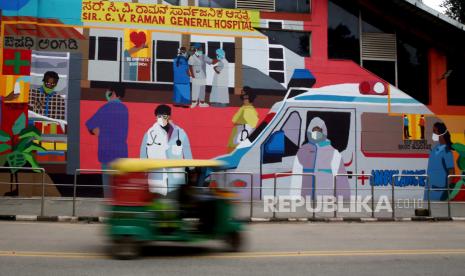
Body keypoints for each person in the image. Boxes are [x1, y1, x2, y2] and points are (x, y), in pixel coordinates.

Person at [290, 117, 350, 199]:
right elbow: (296, 175)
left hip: (325, 197)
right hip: (306, 197)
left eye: (319, 131)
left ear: (323, 132)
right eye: (314, 130)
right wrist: (294, 196)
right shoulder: (303, 151)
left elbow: (341, 178)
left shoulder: (333, 152)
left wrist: (343, 198)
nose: (316, 133)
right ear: (309, 132)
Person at [85, 86, 129, 198]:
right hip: (121, 153)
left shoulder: (106, 108)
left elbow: (89, 123)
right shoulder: (124, 109)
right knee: (119, 185)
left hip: (106, 152)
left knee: (108, 187)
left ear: (113, 93)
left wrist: (98, 132)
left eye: (109, 92)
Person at [140, 104, 193, 196]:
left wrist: (192, 169)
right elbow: (143, 155)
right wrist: (144, 169)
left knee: (175, 203)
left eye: (164, 116)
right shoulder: (149, 134)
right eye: (159, 116)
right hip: (157, 176)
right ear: (156, 117)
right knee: (158, 202)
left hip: (175, 178)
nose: (161, 119)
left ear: (169, 116)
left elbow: (187, 153)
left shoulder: (180, 133)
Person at [425, 122, 455, 201]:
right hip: (429, 186)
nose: (433, 133)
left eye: (434, 131)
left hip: (439, 190)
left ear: (441, 133)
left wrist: (446, 191)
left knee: (440, 211)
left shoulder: (447, 151)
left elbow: (451, 172)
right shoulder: (435, 148)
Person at [227, 87, 259, 152]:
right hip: (237, 139)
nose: (244, 98)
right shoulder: (244, 108)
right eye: (243, 96)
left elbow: (253, 125)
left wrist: (240, 124)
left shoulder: (248, 109)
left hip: (239, 140)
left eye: (246, 96)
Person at [188, 44, 213, 108]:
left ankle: (201, 103)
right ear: (196, 49)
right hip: (196, 76)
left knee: (202, 89)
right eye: (199, 49)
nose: (201, 50)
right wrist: (192, 75)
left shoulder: (203, 56)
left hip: (203, 76)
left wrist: (219, 59)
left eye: (201, 49)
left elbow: (211, 61)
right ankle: (194, 102)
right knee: (195, 89)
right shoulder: (192, 57)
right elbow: (190, 66)